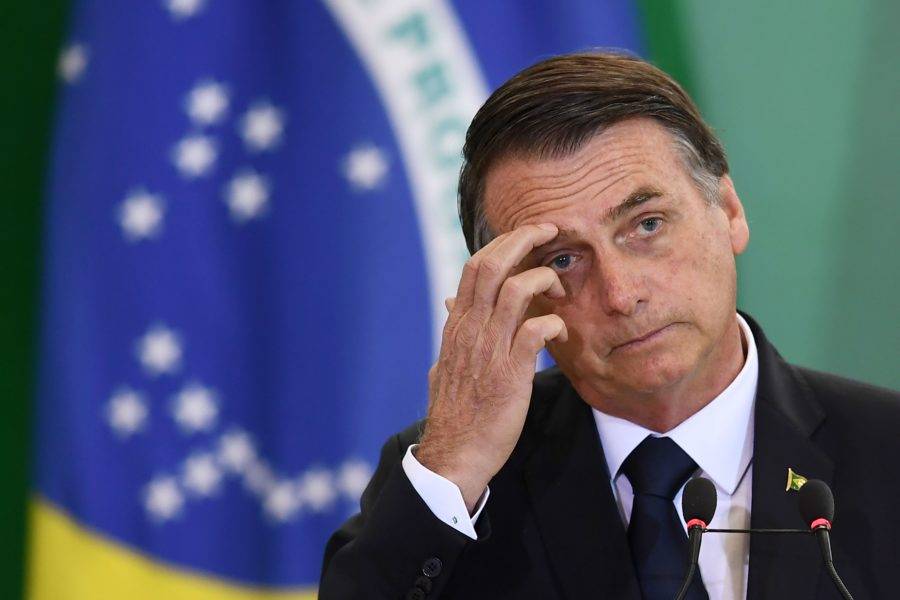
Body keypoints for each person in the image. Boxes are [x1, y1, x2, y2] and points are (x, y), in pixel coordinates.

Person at [319, 52, 900, 600]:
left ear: (728, 212)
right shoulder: (454, 479)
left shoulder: (887, 449)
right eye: (562, 260)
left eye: (647, 225)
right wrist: (455, 465)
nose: (621, 295)